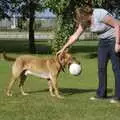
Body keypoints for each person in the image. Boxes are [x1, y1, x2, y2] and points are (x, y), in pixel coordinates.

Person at [57, 4, 120, 103]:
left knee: (116, 68)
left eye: (81, 20)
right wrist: (64, 48)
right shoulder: (85, 22)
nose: (81, 23)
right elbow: (75, 36)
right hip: (103, 42)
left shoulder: (99, 14)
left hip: (114, 39)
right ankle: (101, 94)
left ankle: (118, 96)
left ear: (85, 15)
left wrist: (117, 43)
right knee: (101, 68)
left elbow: (117, 24)